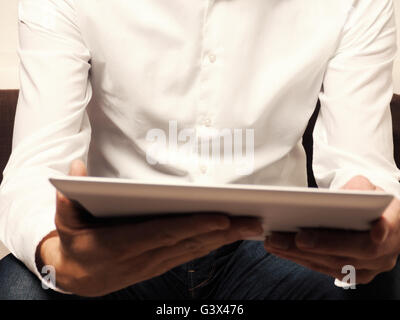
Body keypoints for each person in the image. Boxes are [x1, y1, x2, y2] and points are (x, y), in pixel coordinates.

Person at [1, 0, 400, 300]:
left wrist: (378, 224)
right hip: (116, 247)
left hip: (276, 247)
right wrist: (59, 258)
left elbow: (362, 164)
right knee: (22, 289)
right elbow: (36, 163)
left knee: (381, 278)